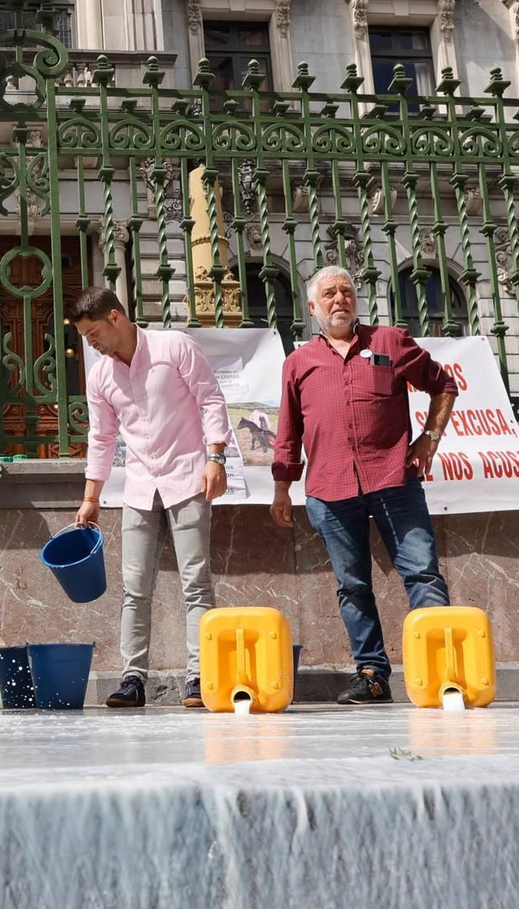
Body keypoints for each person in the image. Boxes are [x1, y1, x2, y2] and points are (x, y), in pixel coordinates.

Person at [270, 266, 458, 704]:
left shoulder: (390, 342)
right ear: (312, 307)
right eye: (329, 294)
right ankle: (372, 673)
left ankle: (444, 669)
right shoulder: (298, 363)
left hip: (394, 479)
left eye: (347, 291)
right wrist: (283, 487)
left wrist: (429, 438)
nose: (340, 299)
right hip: (329, 490)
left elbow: (443, 384)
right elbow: (288, 431)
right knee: (352, 586)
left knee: (423, 574)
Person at [71, 287, 231, 709]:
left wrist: (216, 458)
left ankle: (199, 677)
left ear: (115, 317)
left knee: (196, 584)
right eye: (86, 338)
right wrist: (92, 496)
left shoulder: (173, 347)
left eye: (93, 333)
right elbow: (102, 437)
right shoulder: (101, 376)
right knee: (134, 588)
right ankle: (132, 678)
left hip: (187, 478)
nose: (91, 343)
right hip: (140, 488)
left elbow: (211, 399)